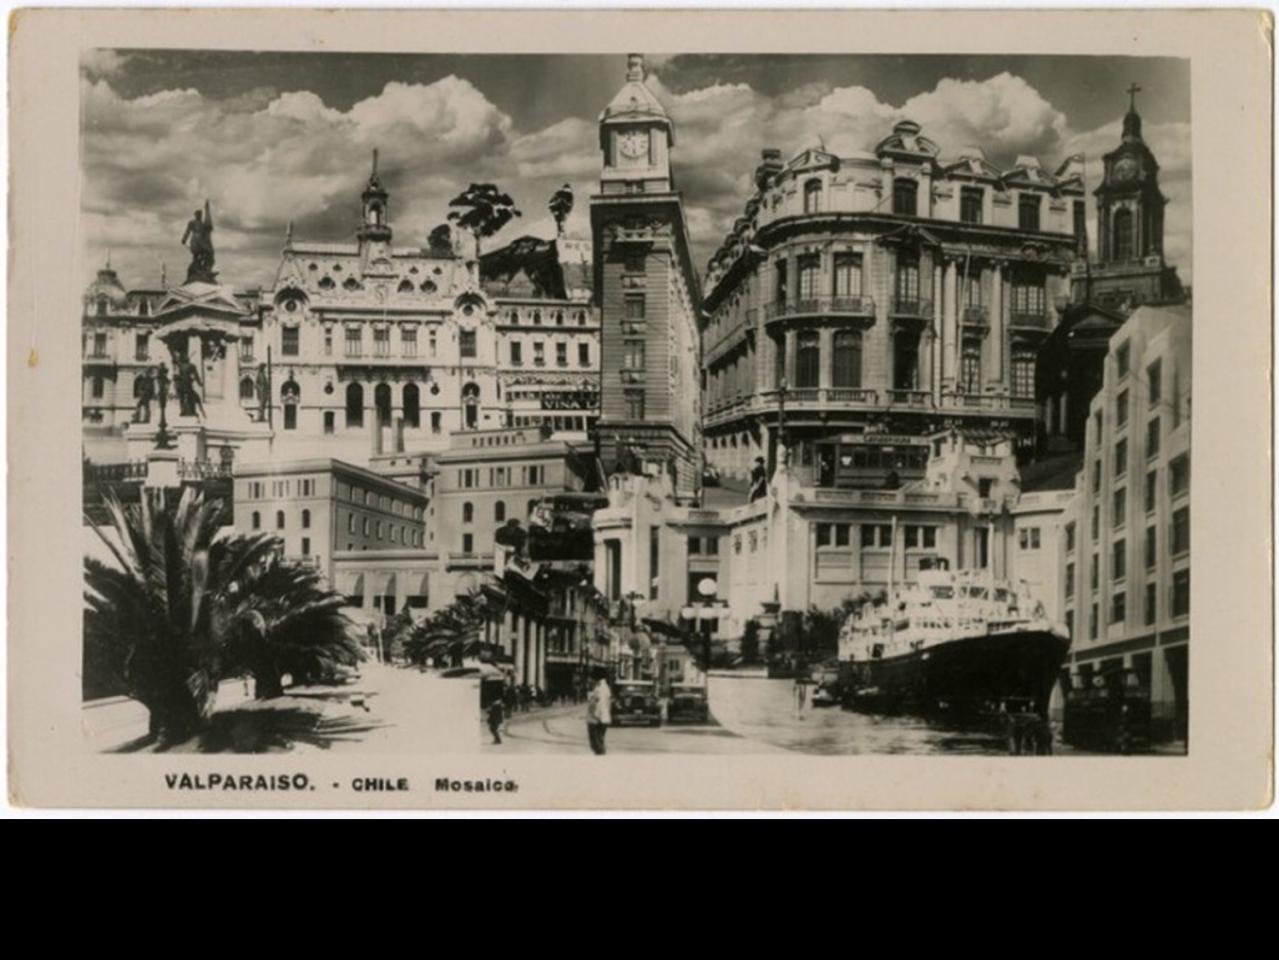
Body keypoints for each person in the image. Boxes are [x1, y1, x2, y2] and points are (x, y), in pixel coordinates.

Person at [586, 667, 611, 755]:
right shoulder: (602, 687)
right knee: (598, 744)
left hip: (597, 721)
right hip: (600, 719)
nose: (590, 679)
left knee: (597, 746)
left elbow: (600, 704)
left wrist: (596, 718)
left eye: (592, 677)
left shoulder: (600, 688)